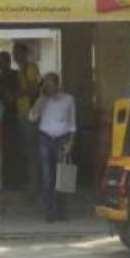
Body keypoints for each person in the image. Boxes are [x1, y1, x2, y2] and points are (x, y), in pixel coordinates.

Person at [29, 72, 76, 222]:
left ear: (57, 85)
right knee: (46, 176)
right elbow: (32, 118)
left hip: (62, 140)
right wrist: (41, 99)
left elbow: (72, 124)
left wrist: (70, 142)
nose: (48, 87)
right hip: (45, 139)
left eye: (50, 84)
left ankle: (61, 212)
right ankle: (49, 212)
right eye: (46, 84)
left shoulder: (68, 99)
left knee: (61, 177)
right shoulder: (42, 100)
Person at [13, 42, 43, 198]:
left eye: (18, 53)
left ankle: (33, 187)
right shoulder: (20, 70)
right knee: (28, 151)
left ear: (24, 54)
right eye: (14, 53)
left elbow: (33, 89)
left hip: (29, 115)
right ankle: (32, 185)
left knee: (32, 152)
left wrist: (16, 96)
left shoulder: (29, 68)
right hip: (23, 114)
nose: (16, 56)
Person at [0, 51, 22, 190]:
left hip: (17, 116)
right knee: (3, 151)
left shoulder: (17, 76)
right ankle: (7, 180)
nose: (0, 63)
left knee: (17, 149)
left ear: (8, 62)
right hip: (1, 119)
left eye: (3, 61)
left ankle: (17, 180)